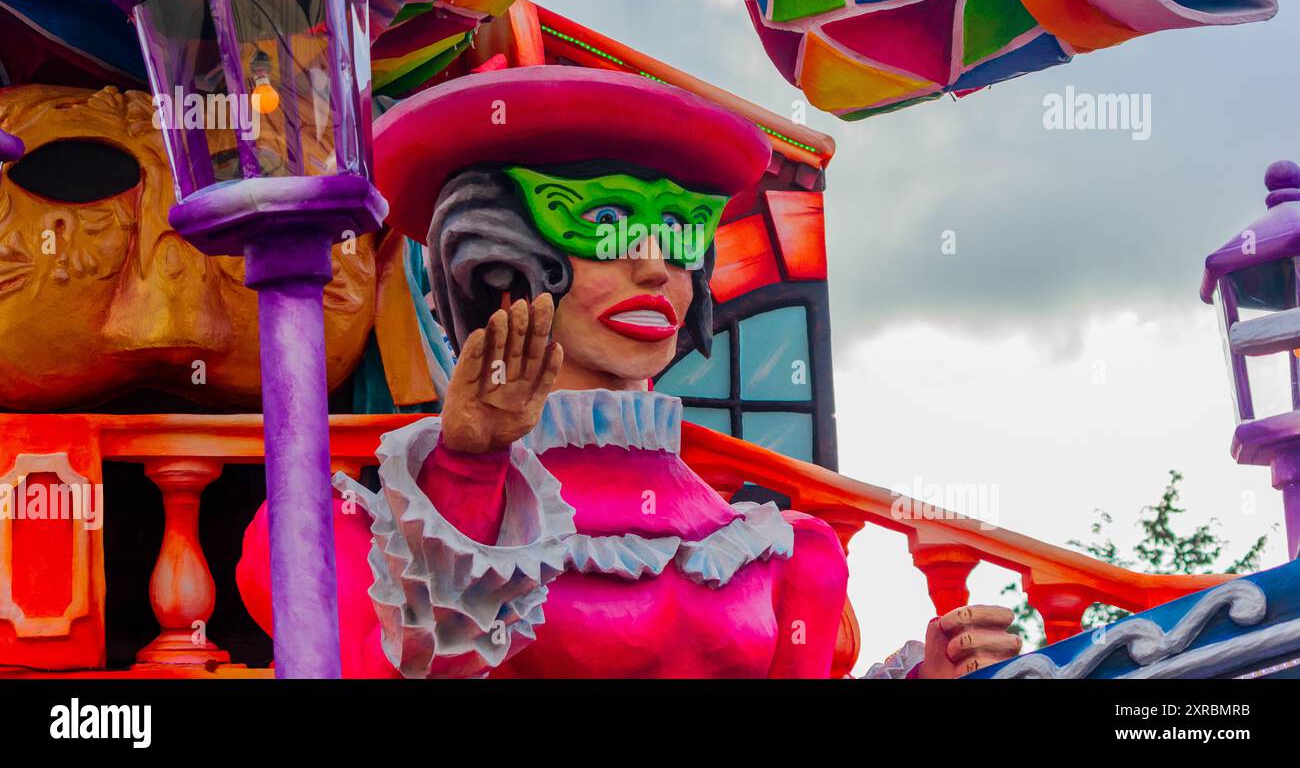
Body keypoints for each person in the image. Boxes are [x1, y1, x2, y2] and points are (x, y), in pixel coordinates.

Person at [237, 67, 1020, 677]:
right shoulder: (335, 535)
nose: (654, 266)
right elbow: (403, 669)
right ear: (501, 259)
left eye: (678, 233)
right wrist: (470, 468)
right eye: (606, 224)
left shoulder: (786, 555)